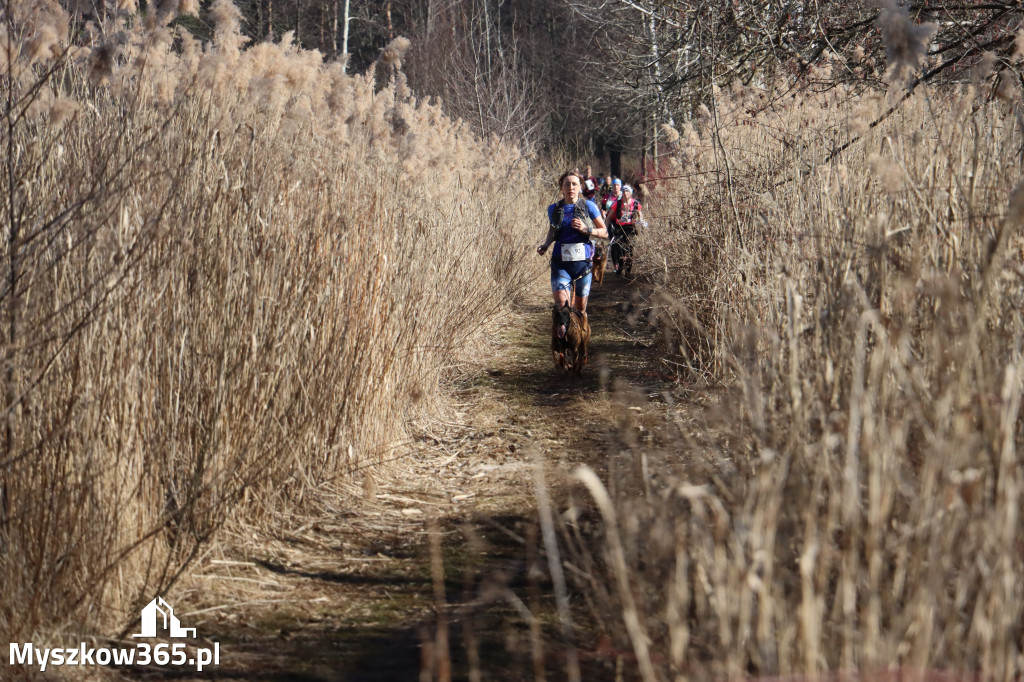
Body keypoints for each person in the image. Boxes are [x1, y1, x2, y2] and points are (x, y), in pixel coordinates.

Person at [537, 170, 609, 335]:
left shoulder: (588, 206)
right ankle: (561, 345)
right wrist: (546, 244)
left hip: (582, 266)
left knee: (579, 311)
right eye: (566, 184)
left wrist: (586, 229)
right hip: (560, 264)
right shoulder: (554, 209)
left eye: (574, 184)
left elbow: (604, 232)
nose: (570, 187)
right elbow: (552, 231)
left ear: (580, 187)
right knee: (562, 307)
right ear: (561, 188)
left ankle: (580, 342)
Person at [607, 183, 645, 277]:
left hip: (631, 229)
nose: (625, 193)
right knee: (620, 250)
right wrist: (605, 228)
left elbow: (641, 217)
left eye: (627, 191)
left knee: (629, 250)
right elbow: (609, 217)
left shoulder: (635, 204)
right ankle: (620, 267)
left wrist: (643, 225)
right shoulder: (617, 203)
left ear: (630, 193)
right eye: (623, 191)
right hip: (619, 229)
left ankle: (628, 271)